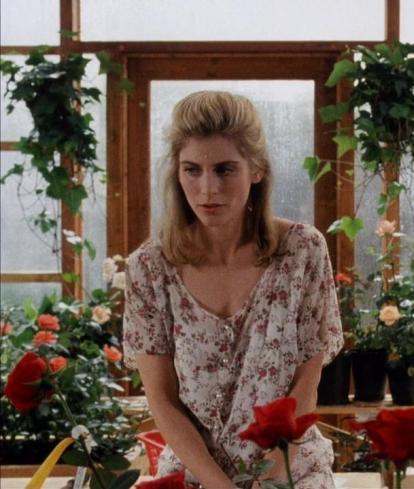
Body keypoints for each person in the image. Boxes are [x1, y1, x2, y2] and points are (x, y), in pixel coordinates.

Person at [123, 91, 343, 488]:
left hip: (290, 467)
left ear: (256, 169)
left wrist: (269, 479)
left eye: (224, 169)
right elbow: (163, 402)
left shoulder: (302, 251)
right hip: (195, 472)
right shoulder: (149, 268)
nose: (208, 188)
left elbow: (305, 385)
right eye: (192, 170)